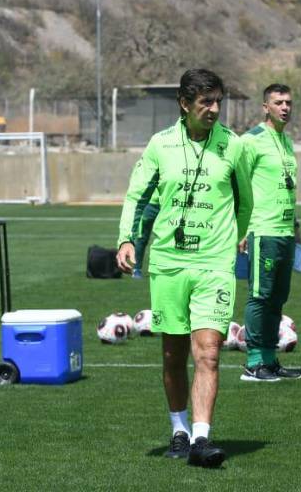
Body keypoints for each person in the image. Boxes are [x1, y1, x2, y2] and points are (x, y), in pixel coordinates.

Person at [116, 68, 253, 468]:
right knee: (173, 353)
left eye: (217, 102)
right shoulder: (160, 145)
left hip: (214, 263)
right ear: (184, 104)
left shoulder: (234, 146)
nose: (213, 110)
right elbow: (136, 194)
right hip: (169, 264)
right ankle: (178, 429)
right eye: (205, 102)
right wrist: (128, 237)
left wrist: (230, 241)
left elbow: (244, 202)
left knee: (208, 352)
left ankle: (201, 438)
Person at [238, 83, 301, 382]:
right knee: (259, 297)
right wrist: (241, 230)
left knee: (278, 298)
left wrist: (297, 228)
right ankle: (253, 363)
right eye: (278, 102)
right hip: (262, 231)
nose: (285, 107)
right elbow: (237, 187)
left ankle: (269, 359)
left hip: (285, 231)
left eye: (288, 102)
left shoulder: (287, 141)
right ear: (265, 107)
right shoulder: (250, 141)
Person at [132, 189, 160, 279]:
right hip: (149, 204)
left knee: (170, 237)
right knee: (142, 238)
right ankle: (136, 269)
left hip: (167, 203)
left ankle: (169, 267)